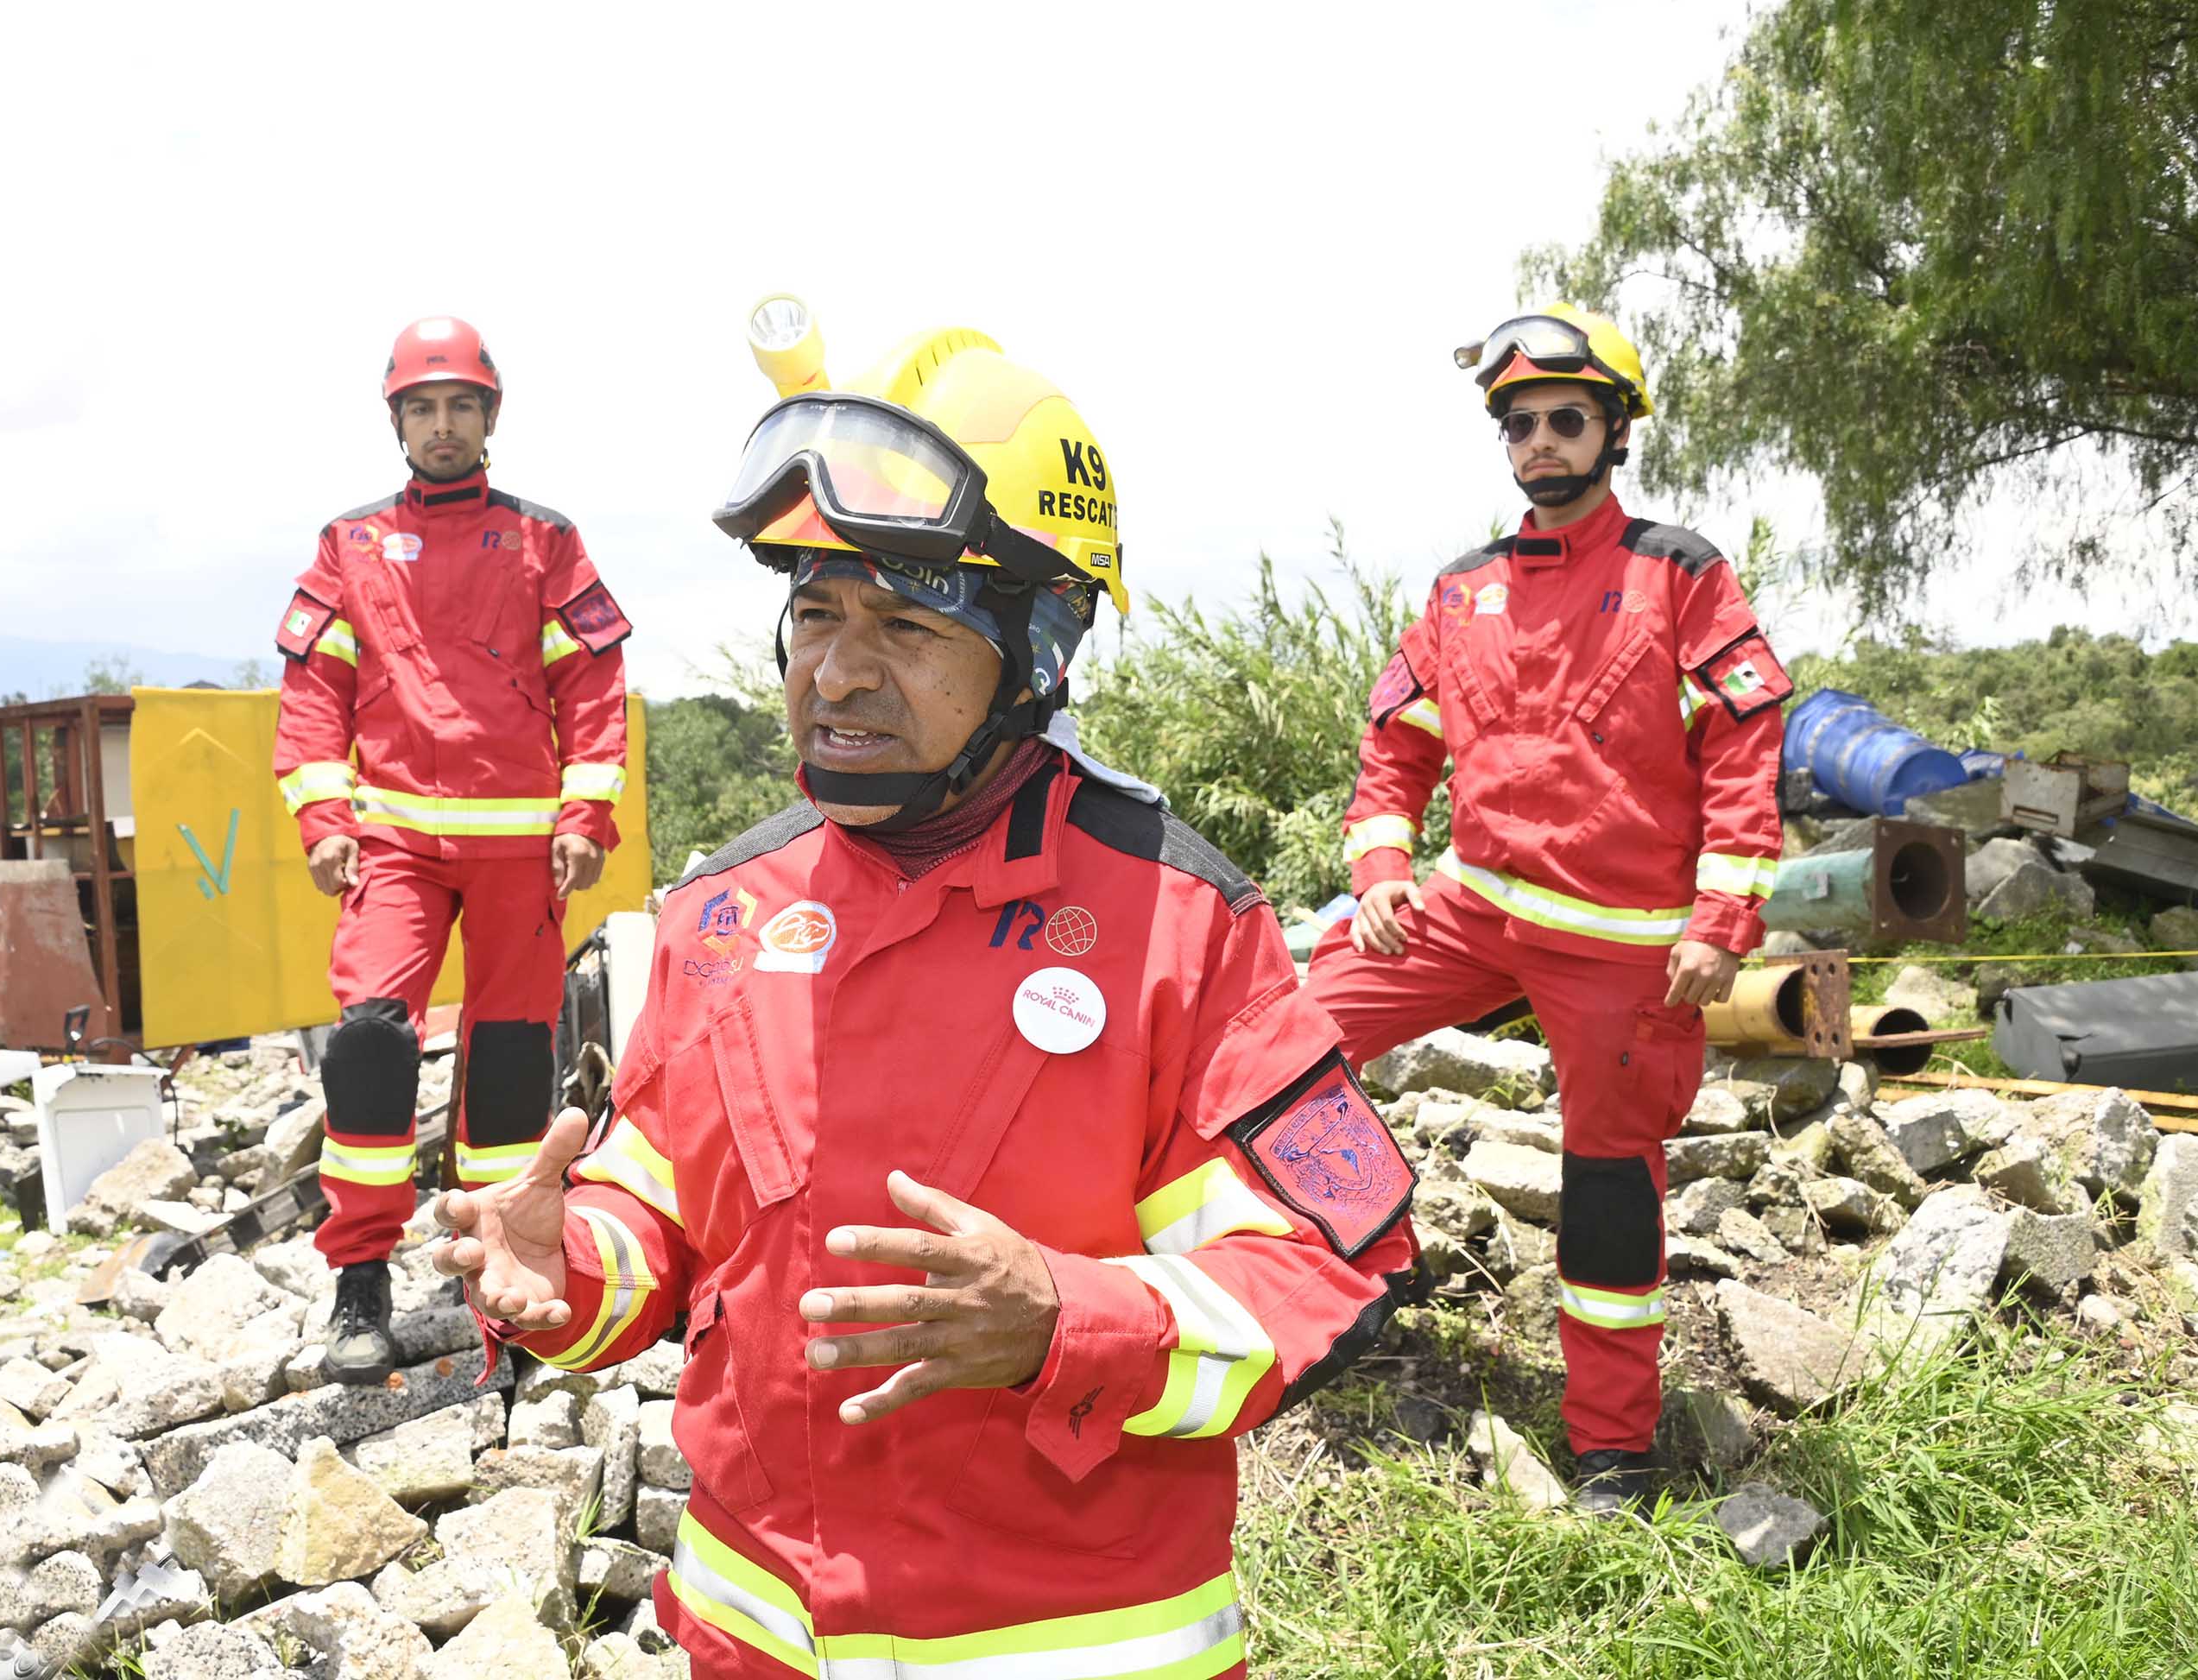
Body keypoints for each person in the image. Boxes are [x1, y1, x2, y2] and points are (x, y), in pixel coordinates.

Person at [430, 304, 1420, 1677]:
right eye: (816, 613)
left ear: (1040, 645)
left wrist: (1068, 1320)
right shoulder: (723, 913)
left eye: (902, 623)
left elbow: (1323, 1269)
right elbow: (660, 1210)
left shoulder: (1178, 925)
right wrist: (575, 1269)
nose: (835, 671)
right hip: (750, 1639)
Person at [1307, 306, 1788, 1513]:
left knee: (1608, 1184)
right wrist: (1379, 872)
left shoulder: (1678, 574)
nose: (1539, 442)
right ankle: (1356, 1260)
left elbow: (1744, 749)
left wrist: (1721, 918)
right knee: (1276, 1042)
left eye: (1564, 420)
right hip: (1467, 909)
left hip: (1624, 947)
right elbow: (1393, 743)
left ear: (1613, 431)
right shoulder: (1461, 588)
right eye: (1518, 425)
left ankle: (1612, 1445)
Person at [270, 315, 632, 1385]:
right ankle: (360, 1278)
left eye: (459, 405)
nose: (441, 424)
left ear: (489, 417)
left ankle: (503, 1277)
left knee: (515, 1065)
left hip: (521, 845)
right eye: (421, 407)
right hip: (392, 843)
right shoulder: (350, 543)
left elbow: (593, 691)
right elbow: (312, 696)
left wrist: (585, 817)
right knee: (372, 1043)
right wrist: (323, 820)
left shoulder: (544, 540)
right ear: (397, 420)